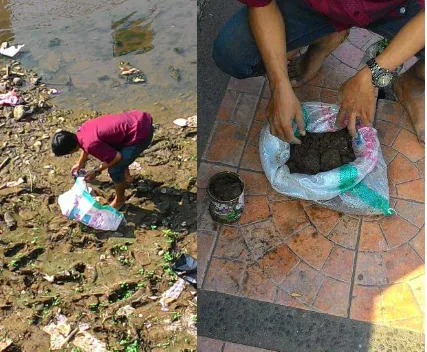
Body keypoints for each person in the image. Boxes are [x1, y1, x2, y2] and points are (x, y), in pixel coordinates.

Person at [213, 0, 425, 145]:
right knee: (234, 55)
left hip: (396, 7)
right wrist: (279, 84)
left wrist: (371, 75)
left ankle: (413, 83)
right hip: (313, 4)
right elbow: (262, 4)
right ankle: (325, 35)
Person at [51, 110, 154, 209]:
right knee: (115, 147)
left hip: (142, 133)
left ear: (70, 151)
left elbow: (116, 157)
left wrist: (96, 171)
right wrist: (80, 163)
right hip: (137, 118)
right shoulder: (82, 130)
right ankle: (127, 178)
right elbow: (86, 145)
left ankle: (120, 200)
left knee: (115, 169)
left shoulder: (90, 144)